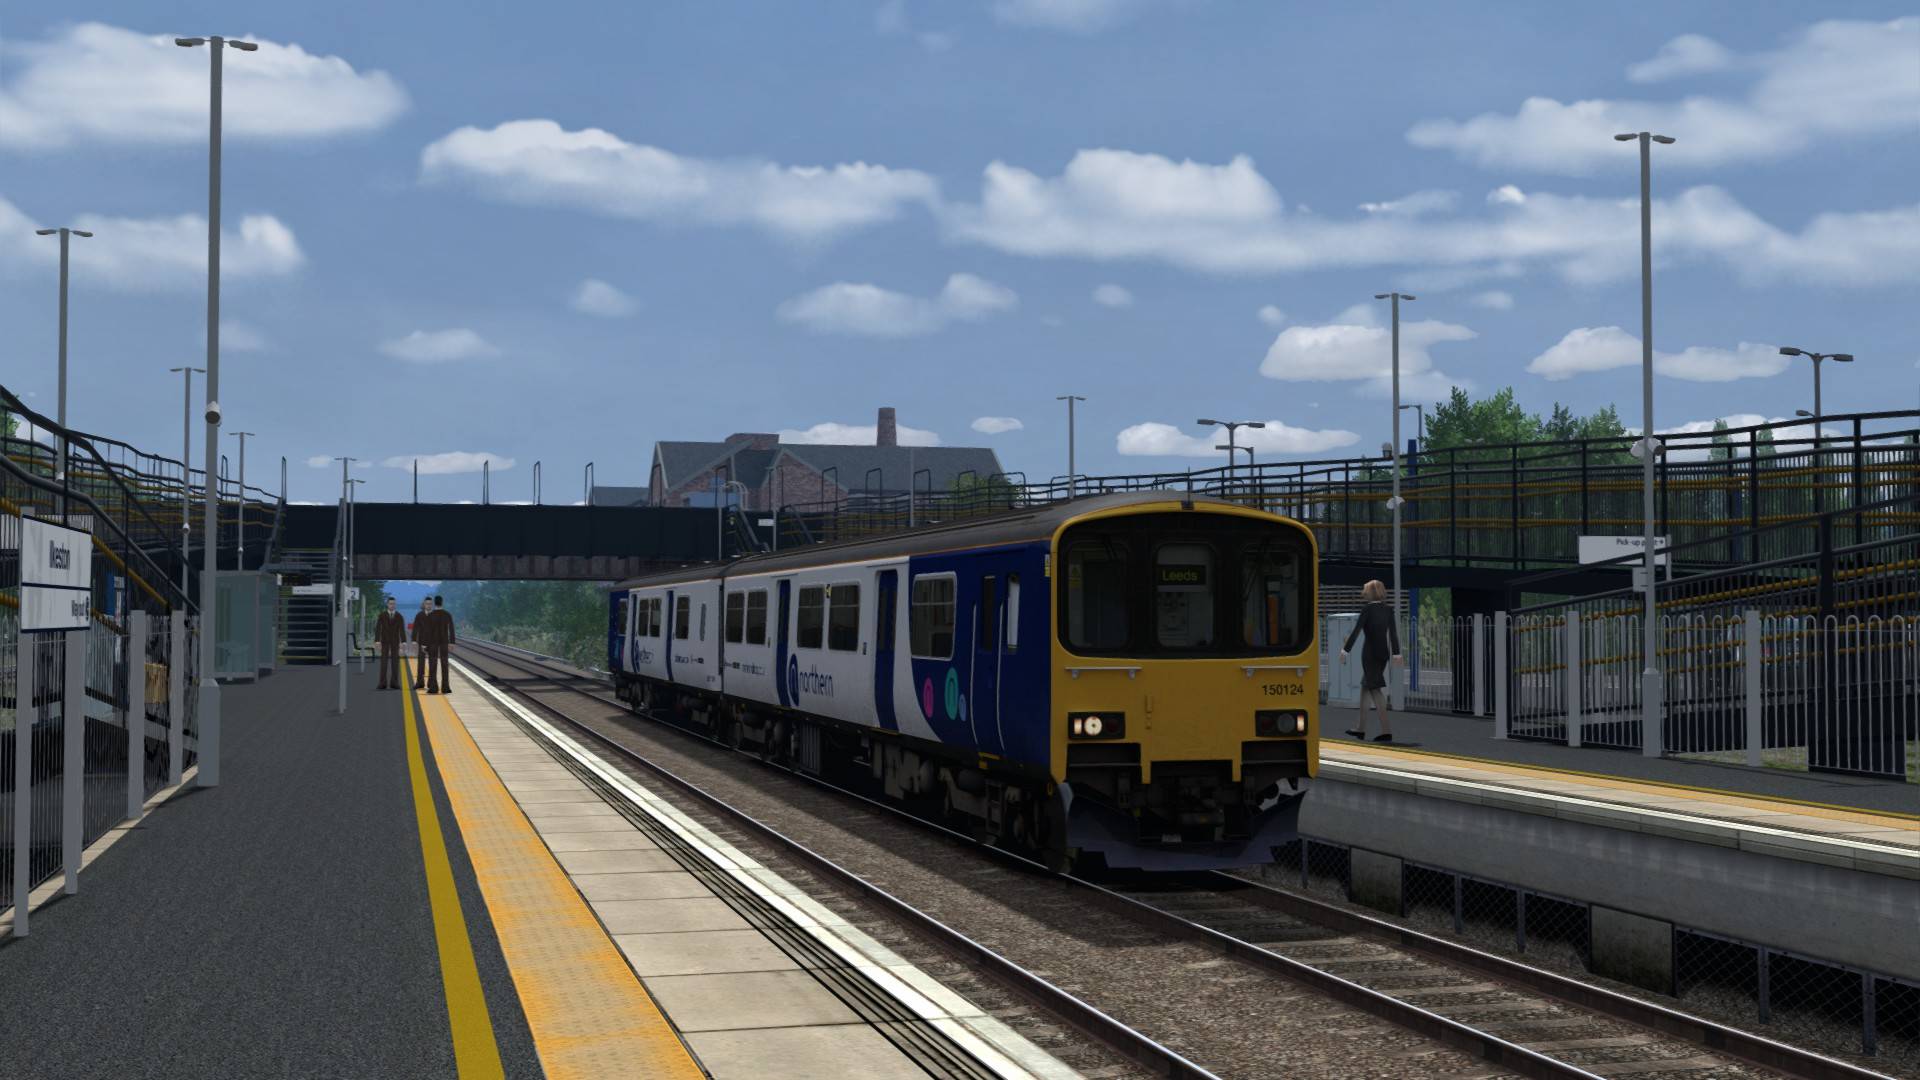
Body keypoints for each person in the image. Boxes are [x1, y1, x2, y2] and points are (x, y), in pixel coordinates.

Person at [1339, 579, 1402, 742]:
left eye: (1365, 590)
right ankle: (1360, 728)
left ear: (1371, 592)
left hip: (1369, 655)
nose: (1363, 593)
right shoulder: (1388, 610)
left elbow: (1356, 631)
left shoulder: (1367, 609)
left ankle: (1386, 731)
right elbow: (1393, 634)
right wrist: (1397, 654)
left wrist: (1345, 650)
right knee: (1365, 688)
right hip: (1383, 654)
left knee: (1375, 689)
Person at [375, 596, 407, 690]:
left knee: (395, 662)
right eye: (390, 603)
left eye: (393, 604)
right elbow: (378, 628)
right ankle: (382, 683)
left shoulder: (399, 616)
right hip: (384, 641)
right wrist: (377, 640)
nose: (392, 605)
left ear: (395, 605)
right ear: (387, 604)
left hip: (395, 642)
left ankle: (394, 683)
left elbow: (402, 630)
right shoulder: (382, 615)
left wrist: (403, 641)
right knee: (384, 663)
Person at [427, 595, 455, 693]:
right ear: (442, 602)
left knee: (432, 664)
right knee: (444, 664)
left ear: (434, 603)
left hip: (433, 642)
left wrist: (425, 644)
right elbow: (451, 629)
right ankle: (445, 687)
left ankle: (433, 688)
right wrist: (452, 642)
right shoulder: (447, 615)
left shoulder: (430, 615)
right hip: (444, 642)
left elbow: (428, 631)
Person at [411, 597, 436, 691]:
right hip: (421, 642)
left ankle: (431, 683)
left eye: (430, 604)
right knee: (421, 664)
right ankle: (420, 683)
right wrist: (414, 640)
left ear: (432, 605)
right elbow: (415, 628)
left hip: (432, 643)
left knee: (432, 664)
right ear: (424, 604)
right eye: (427, 604)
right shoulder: (419, 615)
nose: (428, 605)